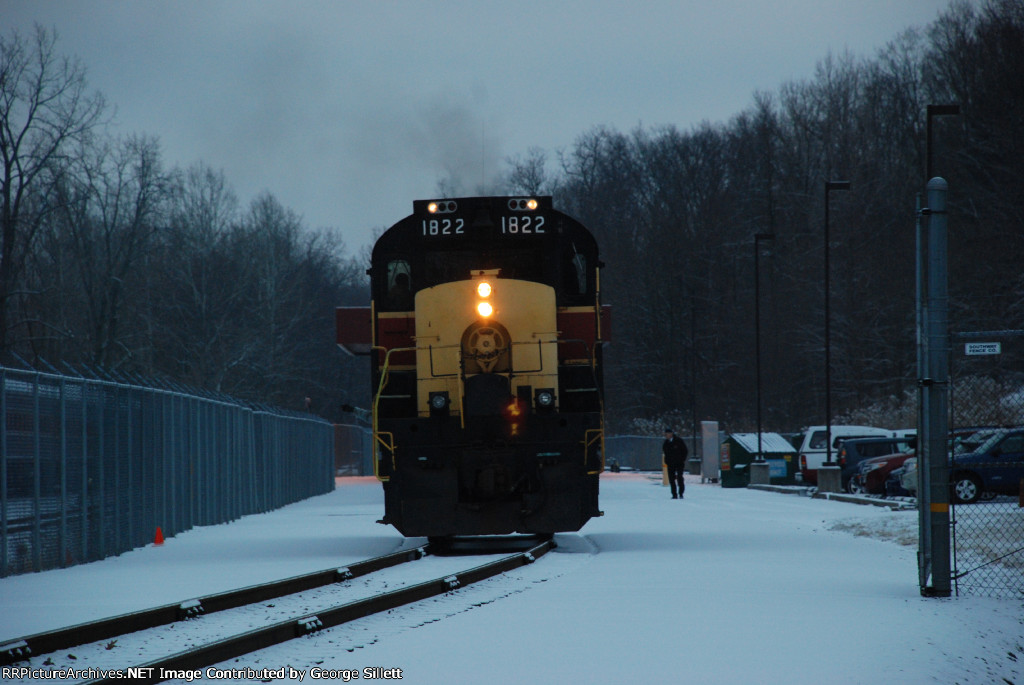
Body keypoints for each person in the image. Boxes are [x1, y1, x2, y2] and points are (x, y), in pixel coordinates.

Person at [662, 427, 688, 499]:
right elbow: (665, 452)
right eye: (665, 434)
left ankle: (681, 492)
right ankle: (674, 494)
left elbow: (685, 451)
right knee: (671, 479)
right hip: (670, 463)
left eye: (667, 434)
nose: (666, 435)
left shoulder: (679, 441)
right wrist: (667, 461)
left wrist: (682, 459)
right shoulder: (666, 443)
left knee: (680, 477)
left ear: (671, 434)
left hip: (679, 463)